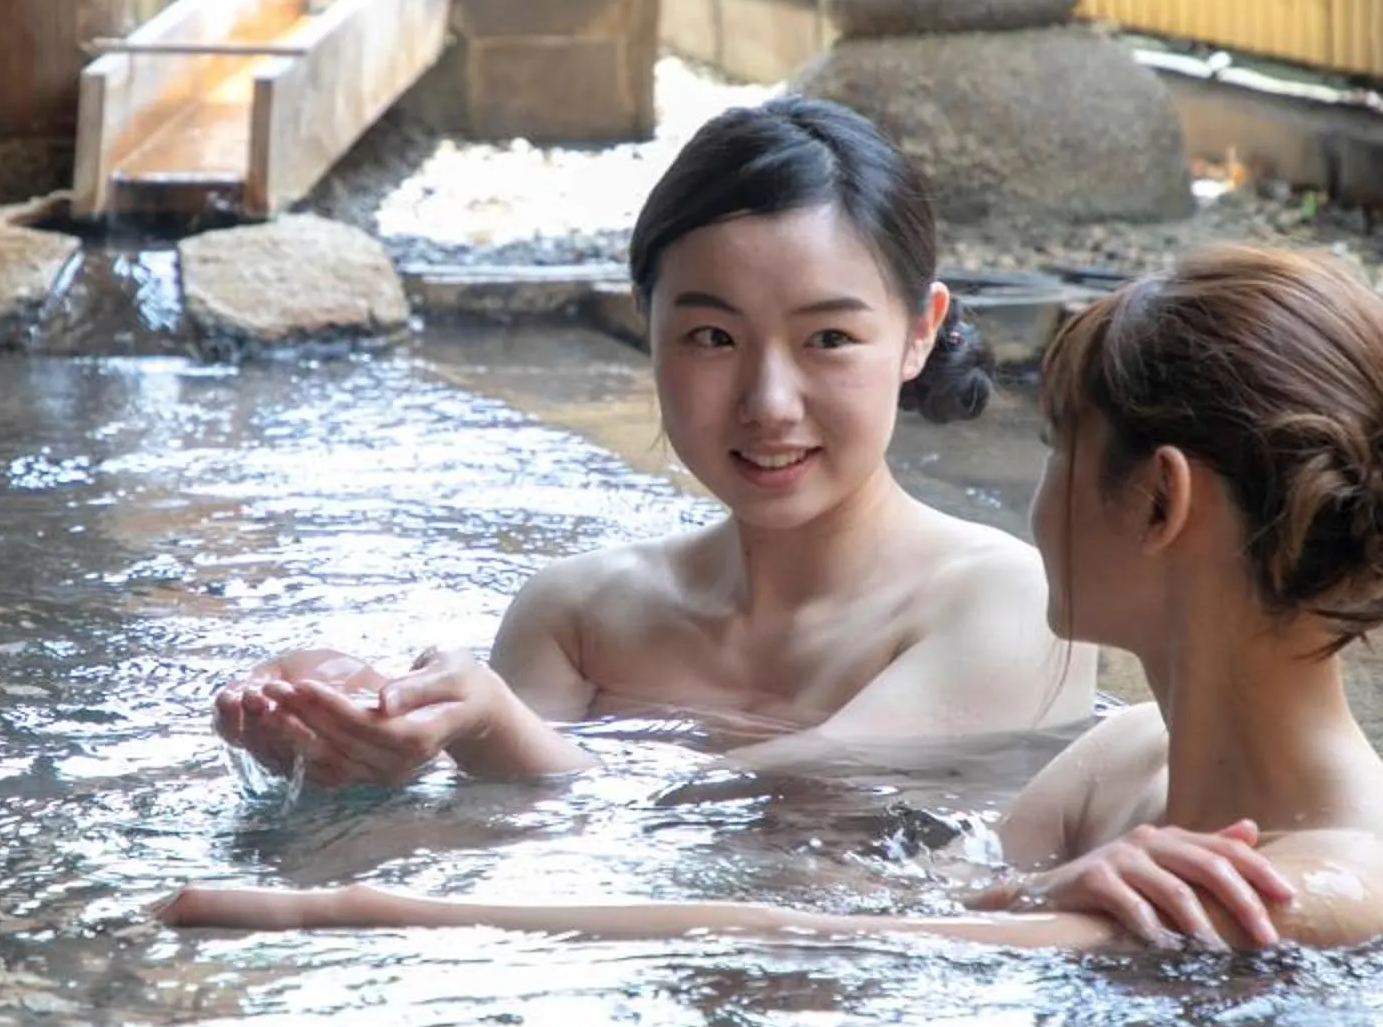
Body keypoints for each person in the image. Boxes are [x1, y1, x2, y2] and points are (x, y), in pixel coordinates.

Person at [169, 242, 1383, 951]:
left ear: (1162, 500)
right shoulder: (1125, 760)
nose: (1034, 493)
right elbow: (901, 900)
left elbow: (851, 944)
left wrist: (348, 919)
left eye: (1062, 454)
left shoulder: (1328, 884)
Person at [212, 98, 1094, 791]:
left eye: (828, 340)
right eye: (713, 338)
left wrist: (491, 727)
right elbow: (508, 859)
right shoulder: (581, 615)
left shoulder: (1016, 601)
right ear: (648, 329)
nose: (769, 402)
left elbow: (794, 806)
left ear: (917, 332)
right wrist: (368, 751)